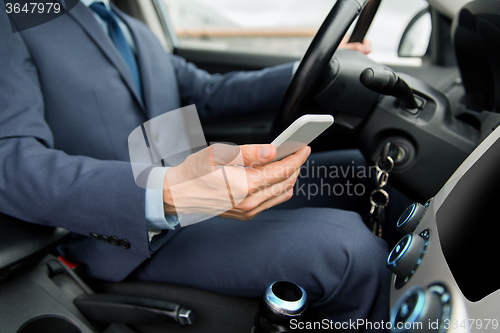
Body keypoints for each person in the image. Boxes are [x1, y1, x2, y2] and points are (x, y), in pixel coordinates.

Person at [0, 1, 393, 331]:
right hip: (127, 238)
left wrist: (310, 66)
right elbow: (10, 161)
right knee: (351, 252)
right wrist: (164, 193)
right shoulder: (14, 17)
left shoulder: (130, 27)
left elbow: (205, 94)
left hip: (200, 190)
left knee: (360, 173)